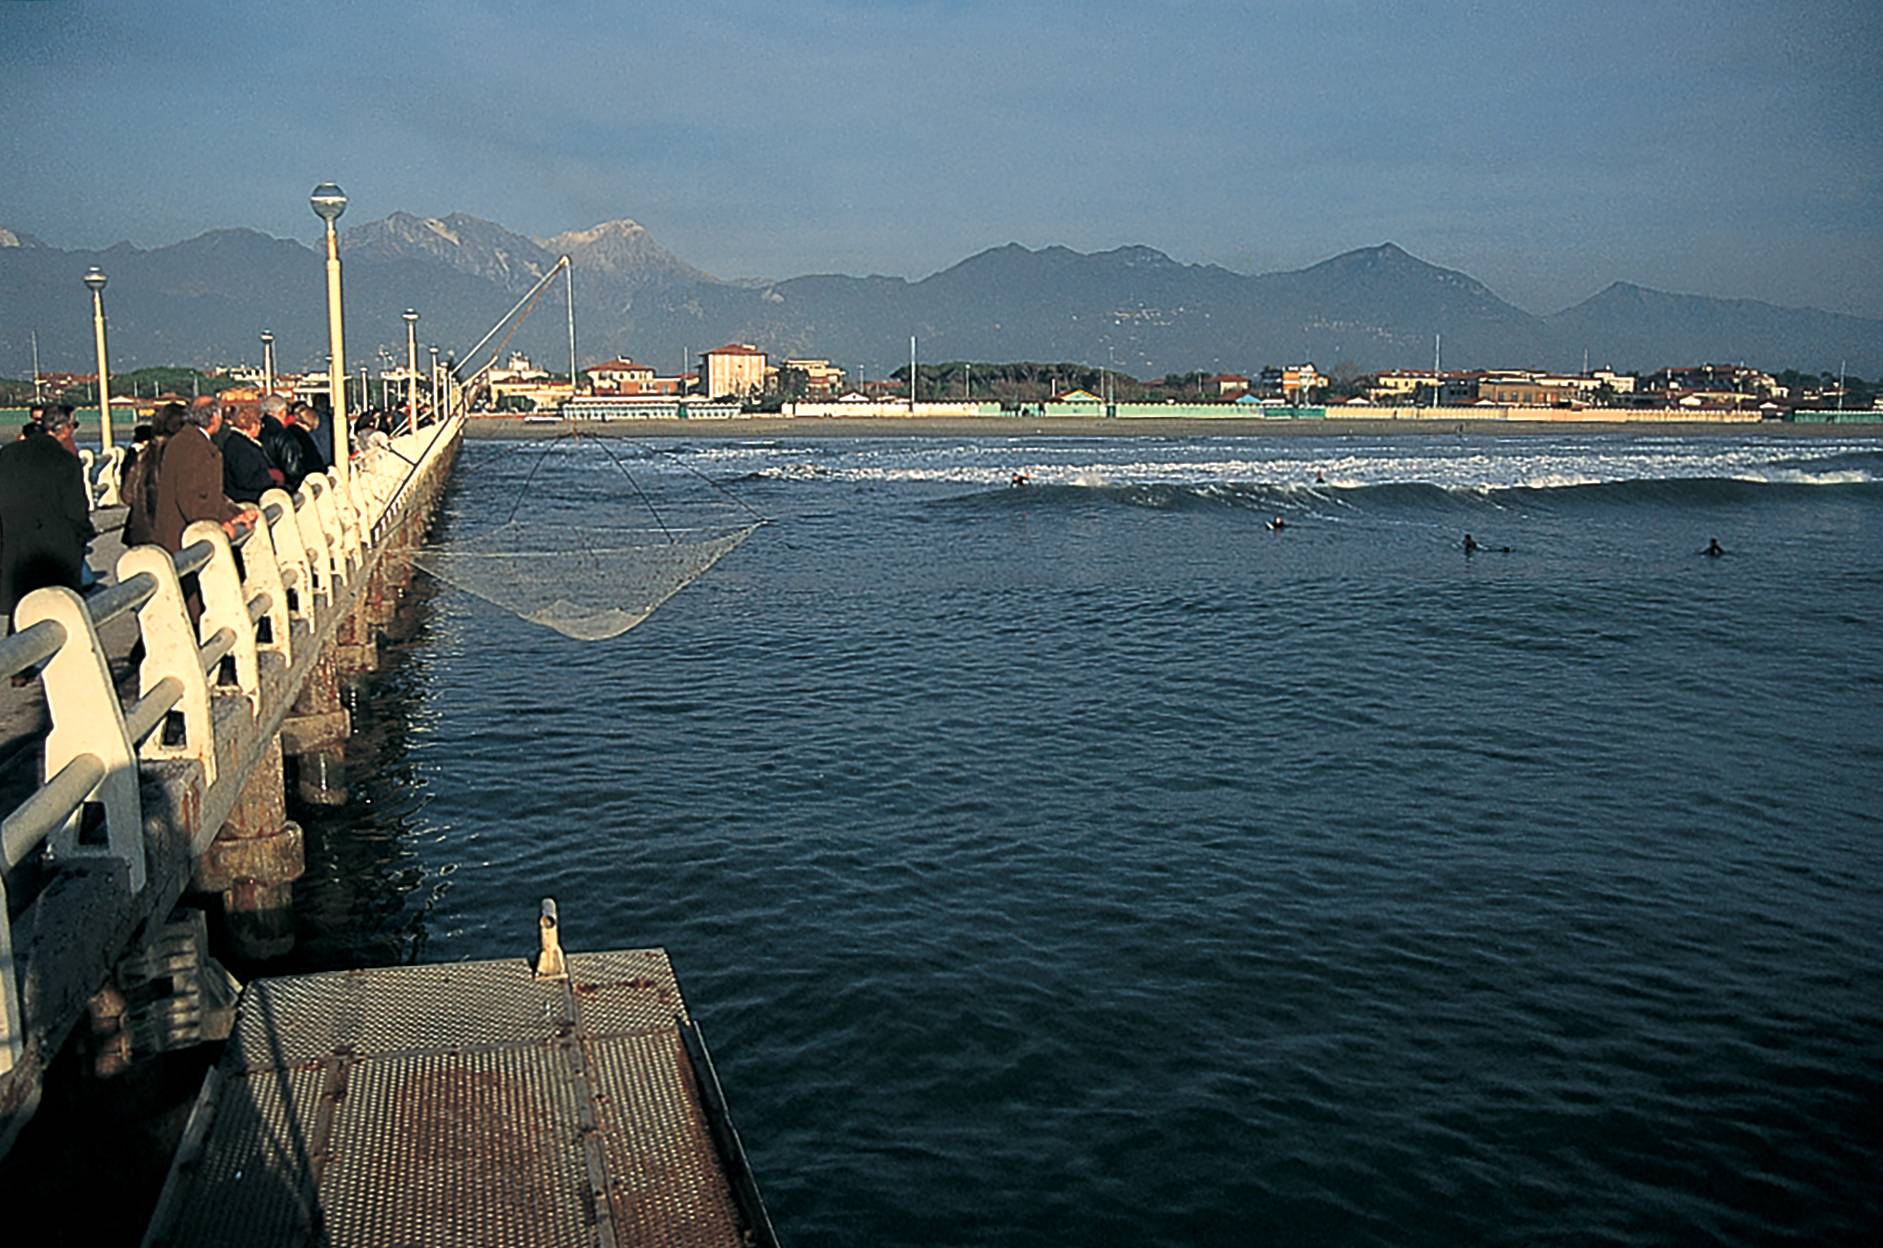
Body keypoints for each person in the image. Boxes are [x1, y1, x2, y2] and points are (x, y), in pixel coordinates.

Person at [0, 406, 96, 630]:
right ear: (64, 429)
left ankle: (19, 659)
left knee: (20, 612)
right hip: (55, 552)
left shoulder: (8, 454)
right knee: (60, 616)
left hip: (14, 547)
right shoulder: (65, 461)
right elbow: (76, 512)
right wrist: (81, 539)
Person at [154, 400, 256, 553]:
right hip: (183, 537)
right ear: (214, 418)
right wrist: (220, 522)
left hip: (179, 530)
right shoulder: (194, 446)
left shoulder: (187, 440)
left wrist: (235, 514)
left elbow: (211, 494)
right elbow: (191, 497)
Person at [221, 404, 275, 503]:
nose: (261, 428)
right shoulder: (240, 447)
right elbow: (246, 479)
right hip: (247, 500)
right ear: (253, 425)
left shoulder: (237, 442)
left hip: (244, 497)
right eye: (260, 424)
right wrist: (271, 476)